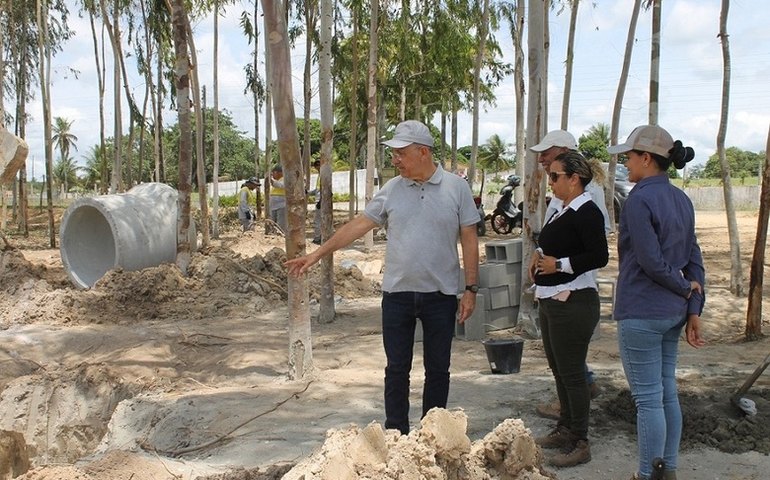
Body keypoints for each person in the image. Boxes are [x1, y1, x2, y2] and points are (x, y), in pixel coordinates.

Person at [285, 119, 480, 435]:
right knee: (396, 370)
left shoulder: (456, 188)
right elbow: (358, 226)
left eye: (401, 153)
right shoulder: (391, 190)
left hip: (440, 296)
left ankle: (433, 433)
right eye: (394, 154)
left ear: (423, 152)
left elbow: (469, 239)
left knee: (438, 370)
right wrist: (317, 254)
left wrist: (470, 287)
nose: (395, 160)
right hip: (398, 296)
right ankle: (396, 434)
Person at [607, 125, 706, 480]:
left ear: (646, 159)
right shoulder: (682, 199)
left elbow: (649, 261)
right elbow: (694, 257)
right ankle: (670, 470)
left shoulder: (638, 199)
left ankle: (649, 475)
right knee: (667, 394)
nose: (626, 164)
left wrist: (684, 289)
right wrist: (693, 303)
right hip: (673, 314)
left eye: (629, 156)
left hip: (643, 310)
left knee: (648, 400)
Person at [528, 151, 608, 468]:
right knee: (560, 370)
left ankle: (580, 439)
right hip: (551, 297)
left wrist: (559, 264)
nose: (551, 181)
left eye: (555, 176)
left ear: (574, 179)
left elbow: (598, 256)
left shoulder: (587, 211)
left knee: (573, 374)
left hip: (573, 300)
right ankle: (566, 428)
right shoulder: (561, 208)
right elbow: (549, 242)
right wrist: (538, 253)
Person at [308, 159, 323, 244]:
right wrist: (308, 192)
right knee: (320, 220)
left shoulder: (323, 176)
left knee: (318, 221)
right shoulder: (319, 176)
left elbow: (325, 190)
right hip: (320, 200)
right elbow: (317, 190)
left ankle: (318, 238)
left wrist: (320, 201)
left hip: (321, 201)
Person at [269, 165, 287, 233]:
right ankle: (274, 235)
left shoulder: (285, 179)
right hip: (274, 206)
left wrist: (270, 179)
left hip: (281, 205)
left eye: (273, 173)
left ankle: (281, 236)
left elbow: (279, 185)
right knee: (273, 222)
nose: (272, 175)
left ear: (279, 173)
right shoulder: (278, 180)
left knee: (281, 223)